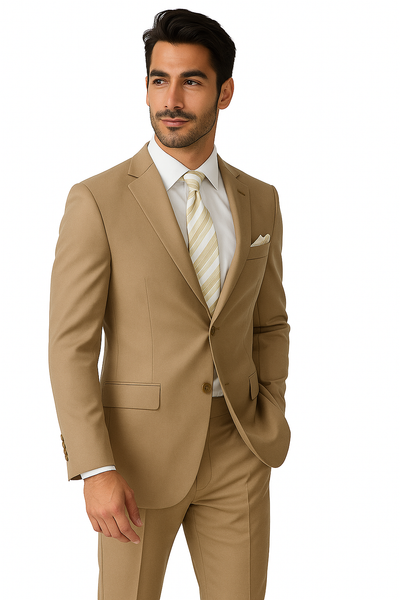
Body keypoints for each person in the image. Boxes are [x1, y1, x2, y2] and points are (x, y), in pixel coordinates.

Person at [49, 8, 290, 600]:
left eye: (192, 81)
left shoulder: (260, 199)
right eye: (160, 80)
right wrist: (95, 467)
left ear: (225, 93)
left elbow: (270, 322)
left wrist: (270, 407)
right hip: (135, 459)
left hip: (239, 446)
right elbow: (70, 346)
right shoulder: (97, 200)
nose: (172, 100)